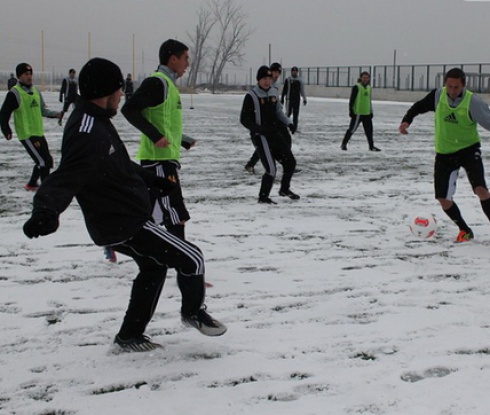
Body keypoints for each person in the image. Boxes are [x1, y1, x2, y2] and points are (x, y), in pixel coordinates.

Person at [22, 57, 227, 353]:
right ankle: (193, 312)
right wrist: (45, 210)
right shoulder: (86, 131)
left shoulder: (97, 120)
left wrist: (150, 179)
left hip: (122, 218)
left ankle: (130, 336)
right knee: (192, 258)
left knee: (154, 269)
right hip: (121, 221)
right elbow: (67, 175)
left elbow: (116, 162)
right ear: (107, 91)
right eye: (120, 90)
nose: (122, 96)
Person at [399, 67, 490, 242]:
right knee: (443, 199)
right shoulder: (438, 96)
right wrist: (406, 120)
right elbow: (418, 106)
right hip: (444, 154)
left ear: (463, 86)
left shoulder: (472, 102)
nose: (452, 90)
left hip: (468, 150)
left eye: (456, 87)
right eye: (449, 86)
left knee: (481, 190)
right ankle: (465, 230)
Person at [122, 39, 196, 241]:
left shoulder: (169, 85)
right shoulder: (158, 82)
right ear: (173, 59)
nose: (187, 64)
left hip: (165, 158)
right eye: (185, 58)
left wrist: (183, 140)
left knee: (152, 213)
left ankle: (119, 236)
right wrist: (155, 137)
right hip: (158, 161)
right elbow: (129, 109)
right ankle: (182, 257)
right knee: (176, 213)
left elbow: (164, 123)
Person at [240, 65, 299, 204]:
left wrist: (289, 123)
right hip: (261, 137)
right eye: (264, 79)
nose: (267, 81)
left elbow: (278, 111)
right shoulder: (251, 96)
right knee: (271, 169)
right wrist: (258, 129)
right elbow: (244, 119)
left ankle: (284, 189)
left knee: (290, 162)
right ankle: (263, 197)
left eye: (269, 78)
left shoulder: (273, 92)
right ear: (258, 80)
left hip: (275, 133)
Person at [0, 63, 62, 191]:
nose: (29, 77)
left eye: (30, 74)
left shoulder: (35, 91)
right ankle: (46, 190)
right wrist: (6, 130)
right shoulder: (15, 93)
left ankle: (32, 184)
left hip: (38, 132)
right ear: (19, 76)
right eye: (26, 74)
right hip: (26, 134)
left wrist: (56, 114)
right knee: (43, 162)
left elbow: (43, 111)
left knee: (47, 161)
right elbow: (4, 114)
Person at [244, 62, 290, 174]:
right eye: (275, 72)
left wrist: (287, 121)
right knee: (266, 144)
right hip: (268, 121)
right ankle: (253, 163)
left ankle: (287, 162)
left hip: (276, 119)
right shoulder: (266, 84)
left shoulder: (275, 85)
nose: (276, 75)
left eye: (279, 72)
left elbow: (276, 105)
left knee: (284, 140)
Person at [341, 71, 380, 151]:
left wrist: (371, 111)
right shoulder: (357, 87)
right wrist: (351, 110)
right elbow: (352, 100)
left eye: (367, 78)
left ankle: (371, 146)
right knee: (352, 129)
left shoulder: (369, 87)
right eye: (364, 78)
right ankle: (344, 144)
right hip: (358, 113)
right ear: (361, 78)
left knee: (369, 131)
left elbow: (369, 100)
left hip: (367, 113)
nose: (365, 79)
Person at [281, 66, 307, 132]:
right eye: (293, 71)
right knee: (288, 113)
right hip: (289, 99)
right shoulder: (288, 80)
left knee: (296, 114)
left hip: (297, 100)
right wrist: (282, 98)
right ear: (291, 72)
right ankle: (284, 126)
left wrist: (304, 99)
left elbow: (302, 90)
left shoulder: (299, 80)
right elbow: (284, 90)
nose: (295, 72)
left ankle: (295, 128)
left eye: (296, 71)